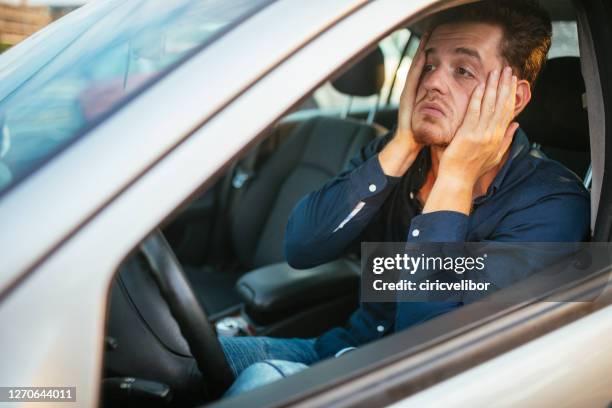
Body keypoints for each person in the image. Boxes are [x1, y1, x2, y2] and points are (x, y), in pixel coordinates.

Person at [219, 0, 590, 396]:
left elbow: (430, 350)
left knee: (259, 384)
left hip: (401, 385)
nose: (433, 82)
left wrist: (456, 178)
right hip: (337, 352)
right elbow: (300, 247)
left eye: (463, 70)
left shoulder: (552, 204)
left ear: (513, 99)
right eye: (429, 65)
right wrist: (400, 144)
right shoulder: (398, 155)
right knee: (173, 359)